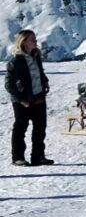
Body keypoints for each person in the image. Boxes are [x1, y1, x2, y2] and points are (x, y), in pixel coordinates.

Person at [6, 29, 53, 166]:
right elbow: (9, 84)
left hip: (38, 97)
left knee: (40, 128)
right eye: (32, 39)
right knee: (21, 128)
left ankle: (38, 157)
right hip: (23, 100)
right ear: (24, 42)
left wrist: (44, 82)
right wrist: (21, 99)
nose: (35, 41)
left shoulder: (36, 55)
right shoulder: (15, 61)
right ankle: (18, 157)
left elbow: (38, 73)